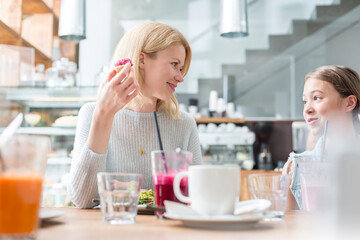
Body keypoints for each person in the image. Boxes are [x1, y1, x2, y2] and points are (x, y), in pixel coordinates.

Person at [68, 22, 202, 208]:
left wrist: (133, 190)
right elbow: (82, 199)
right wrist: (103, 116)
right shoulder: (92, 113)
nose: (180, 77)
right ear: (141, 60)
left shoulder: (184, 124)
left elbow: (198, 196)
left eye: (181, 69)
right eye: (174, 64)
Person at [283, 65, 360, 209]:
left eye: (317, 98)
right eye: (305, 101)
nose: (307, 109)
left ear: (349, 103)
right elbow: (288, 228)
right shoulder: (295, 167)